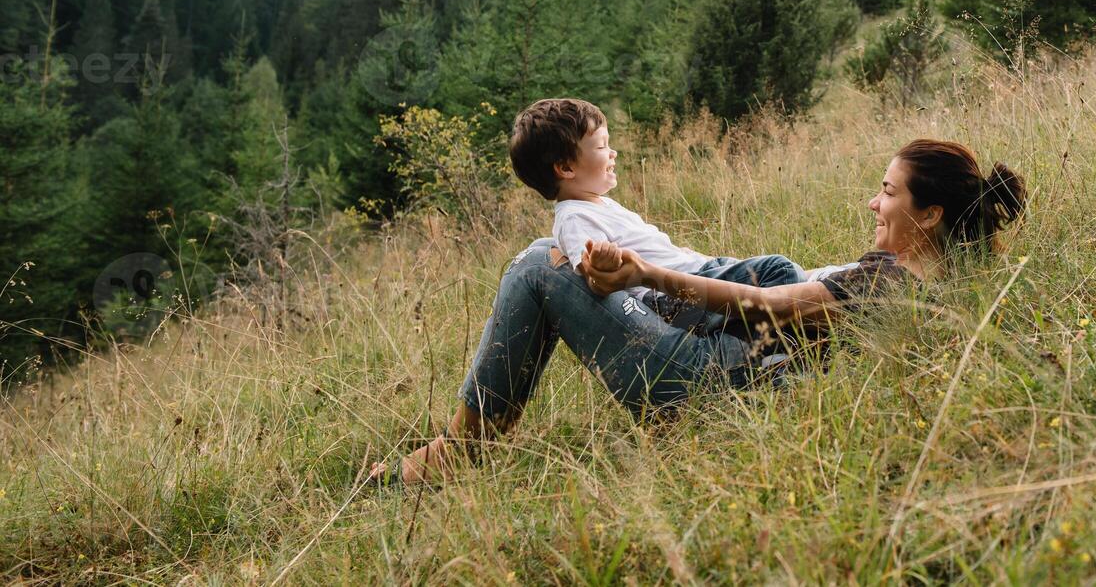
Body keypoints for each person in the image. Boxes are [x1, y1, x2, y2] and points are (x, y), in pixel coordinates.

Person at [365, 138, 1025, 487]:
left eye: (887, 192)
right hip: (741, 376)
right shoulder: (952, 284)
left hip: (714, 391)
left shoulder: (889, 282)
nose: (873, 205)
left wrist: (646, 273)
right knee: (554, 254)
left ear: (931, 213)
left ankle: (459, 449)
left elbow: (766, 306)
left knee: (539, 263)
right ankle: (463, 440)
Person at [511, 97, 805, 330]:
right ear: (566, 168)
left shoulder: (598, 204)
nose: (613, 153)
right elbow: (594, 279)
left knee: (787, 277)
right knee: (778, 271)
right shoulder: (574, 218)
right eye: (602, 146)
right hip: (671, 299)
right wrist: (600, 263)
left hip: (695, 274)